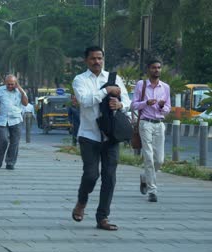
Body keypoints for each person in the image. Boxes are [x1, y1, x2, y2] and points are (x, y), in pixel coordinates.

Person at [71, 46, 130, 231]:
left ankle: (102, 217)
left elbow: (128, 101)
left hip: (111, 136)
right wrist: (106, 91)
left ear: (103, 59)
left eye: (99, 58)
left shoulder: (114, 78)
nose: (97, 61)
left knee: (109, 178)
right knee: (91, 175)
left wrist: (120, 103)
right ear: (86, 60)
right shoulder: (80, 80)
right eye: (93, 59)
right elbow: (85, 101)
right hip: (89, 135)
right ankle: (82, 201)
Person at [131, 59, 171, 203]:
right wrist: (145, 103)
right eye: (154, 67)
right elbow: (133, 105)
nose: (157, 70)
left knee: (159, 160)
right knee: (148, 157)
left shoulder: (165, 87)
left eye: (159, 68)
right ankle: (152, 190)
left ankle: (144, 177)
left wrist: (161, 106)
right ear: (149, 69)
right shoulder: (141, 85)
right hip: (145, 123)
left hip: (159, 123)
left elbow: (168, 109)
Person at [0, 75, 28, 170]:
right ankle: (0, 157)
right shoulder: (0, 91)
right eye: (8, 84)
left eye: (12, 84)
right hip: (2, 120)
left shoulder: (20, 91)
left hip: (16, 119)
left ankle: (10, 162)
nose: (10, 86)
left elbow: (25, 103)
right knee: (3, 140)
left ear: (16, 83)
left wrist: (20, 90)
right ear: (5, 83)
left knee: (14, 142)